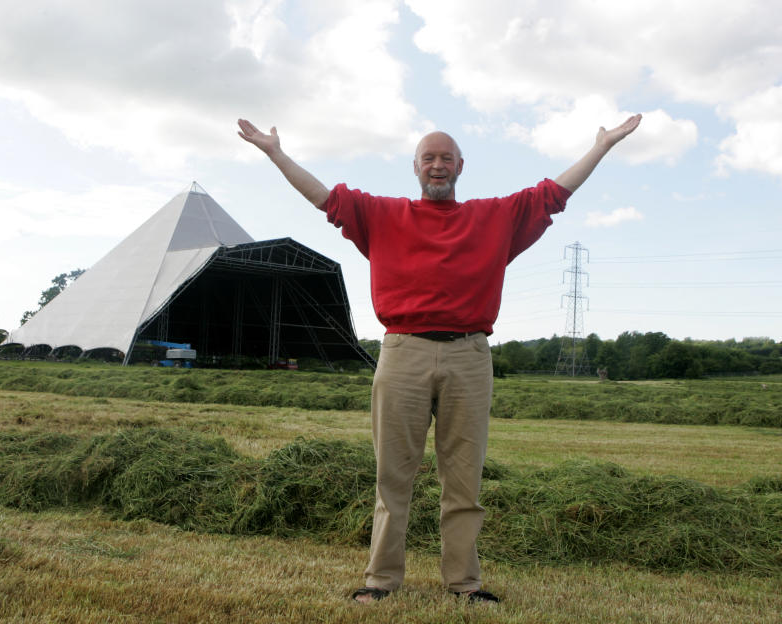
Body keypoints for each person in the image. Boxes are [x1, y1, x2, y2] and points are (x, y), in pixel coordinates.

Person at [237, 114, 641, 604]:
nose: (437, 165)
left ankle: (464, 585)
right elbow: (324, 197)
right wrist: (275, 153)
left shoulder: (493, 218)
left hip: (470, 354)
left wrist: (601, 147)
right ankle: (381, 581)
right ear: (415, 167)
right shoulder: (382, 215)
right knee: (393, 477)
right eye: (428, 158)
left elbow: (552, 195)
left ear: (461, 167)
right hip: (403, 351)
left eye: (446, 158)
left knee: (464, 479)